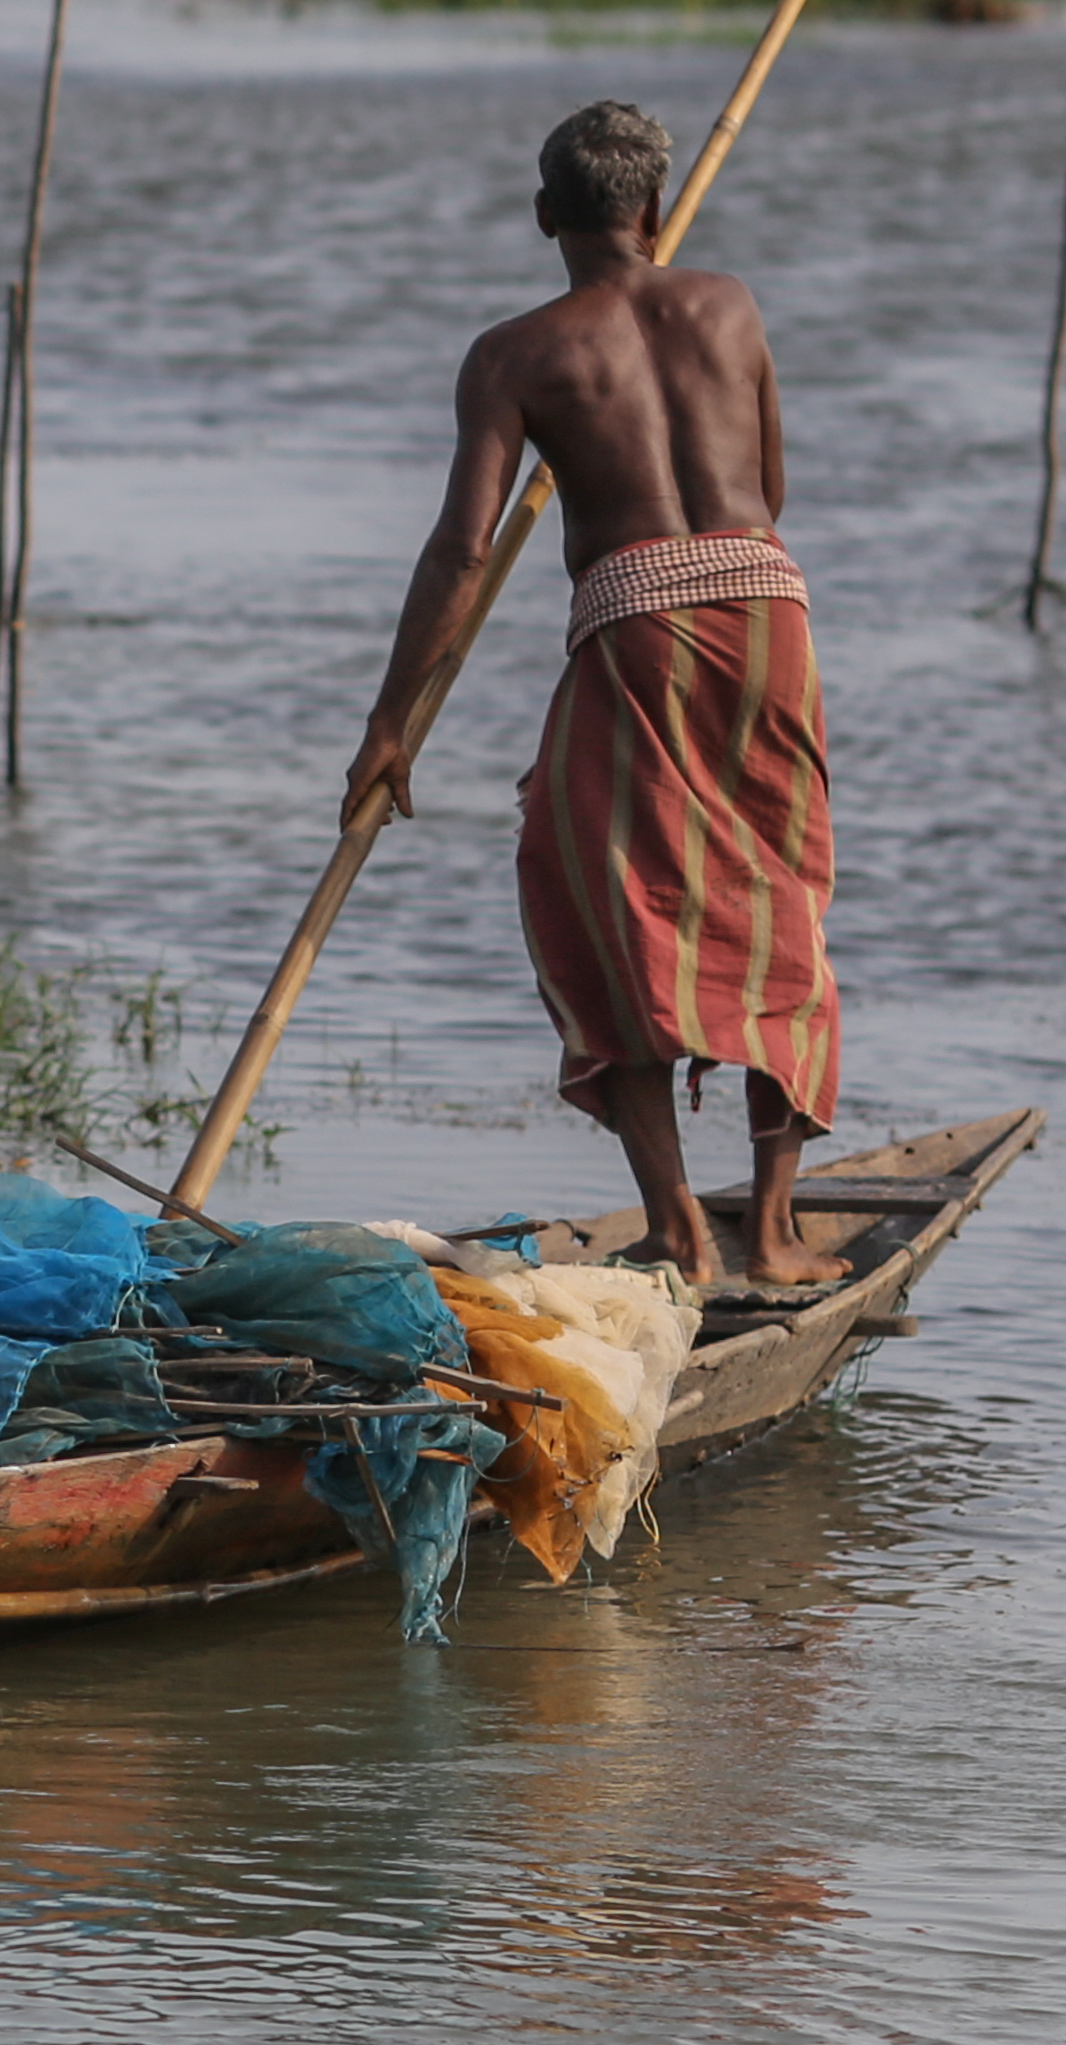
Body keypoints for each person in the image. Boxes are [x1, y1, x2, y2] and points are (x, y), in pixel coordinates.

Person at [343, 100, 838, 1287]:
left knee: (584, 888)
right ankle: (772, 1230)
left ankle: (679, 1224)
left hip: (636, 626)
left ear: (544, 216)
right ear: (653, 211)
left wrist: (389, 721)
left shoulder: (514, 354)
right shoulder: (730, 304)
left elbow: (464, 550)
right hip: (770, 609)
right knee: (776, 895)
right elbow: (769, 481)